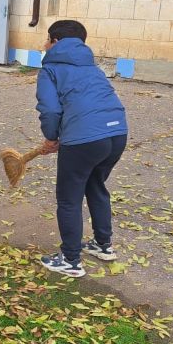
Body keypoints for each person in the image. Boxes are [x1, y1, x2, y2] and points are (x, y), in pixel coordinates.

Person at [36, 20, 128, 278]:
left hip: (85, 138)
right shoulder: (92, 67)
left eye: (46, 39)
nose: (44, 44)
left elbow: (51, 109)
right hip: (117, 133)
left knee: (69, 199)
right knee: (95, 185)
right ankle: (103, 244)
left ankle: (70, 260)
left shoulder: (51, 69)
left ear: (54, 41)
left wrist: (51, 137)